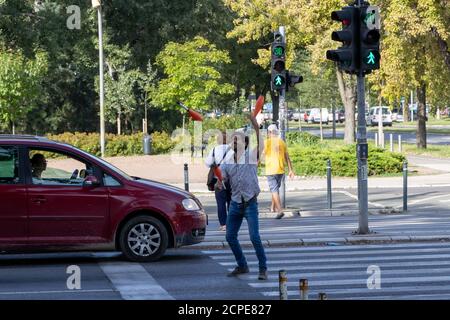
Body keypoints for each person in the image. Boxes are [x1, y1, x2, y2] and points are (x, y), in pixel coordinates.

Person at [220, 114, 267, 281]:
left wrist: (255, 125)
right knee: (230, 237)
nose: (234, 142)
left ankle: (263, 268)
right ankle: (242, 265)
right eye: (232, 140)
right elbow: (222, 179)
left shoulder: (251, 157)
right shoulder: (227, 162)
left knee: (254, 237)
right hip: (235, 204)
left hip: (250, 204)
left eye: (237, 140)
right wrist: (219, 182)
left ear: (245, 143)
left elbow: (261, 142)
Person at [263, 124, 295, 219]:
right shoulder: (282, 142)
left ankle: (280, 210)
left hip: (270, 170)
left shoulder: (266, 142)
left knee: (274, 190)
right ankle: (272, 207)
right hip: (280, 170)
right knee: (275, 189)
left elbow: (261, 155)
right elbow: (287, 157)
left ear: (269, 132)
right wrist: (290, 170)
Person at [205, 131, 233, 231]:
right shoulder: (233, 150)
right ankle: (232, 223)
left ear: (218, 140)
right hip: (232, 180)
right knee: (231, 202)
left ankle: (223, 225)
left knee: (221, 203)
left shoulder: (214, 150)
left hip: (219, 180)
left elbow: (208, 164)